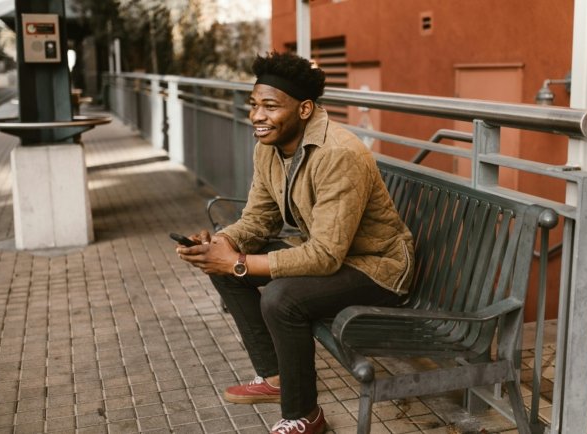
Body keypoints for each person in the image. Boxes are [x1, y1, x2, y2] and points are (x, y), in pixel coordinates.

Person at [176, 51, 414, 434]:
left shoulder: (338, 154)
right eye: (254, 105)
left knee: (280, 297)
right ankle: (275, 377)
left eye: (270, 107)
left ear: (304, 110)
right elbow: (258, 218)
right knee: (220, 265)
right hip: (335, 257)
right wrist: (220, 244)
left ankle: (304, 415)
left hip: (377, 268)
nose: (257, 116)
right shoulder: (268, 148)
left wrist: (239, 262)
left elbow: (325, 255)